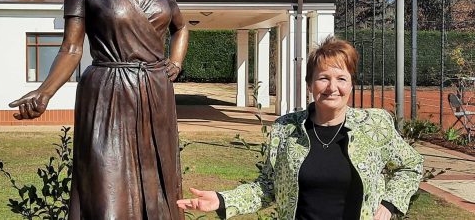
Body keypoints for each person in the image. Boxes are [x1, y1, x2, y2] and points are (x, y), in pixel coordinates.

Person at [9, 0, 188, 219]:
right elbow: (71, 48)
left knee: (160, 196)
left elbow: (180, 25)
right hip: (108, 95)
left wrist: (174, 61)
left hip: (156, 95)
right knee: (107, 196)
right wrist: (45, 92)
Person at [177, 36, 423, 220]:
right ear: (310, 84)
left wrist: (389, 204)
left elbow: (412, 165)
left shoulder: (375, 125)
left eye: (341, 78)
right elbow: (267, 187)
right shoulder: (286, 128)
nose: (332, 87)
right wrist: (221, 200)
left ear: (352, 84)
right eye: (323, 77)